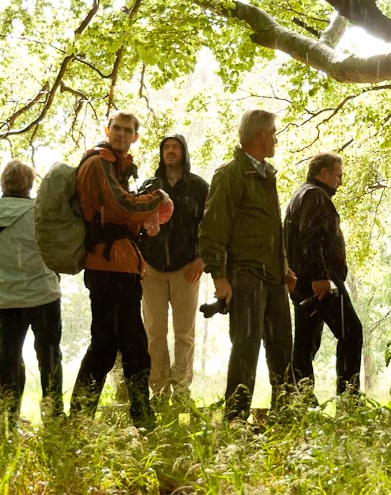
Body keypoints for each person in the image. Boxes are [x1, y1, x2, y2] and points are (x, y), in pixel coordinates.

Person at [70, 110, 171, 428]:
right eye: (117, 128)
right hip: (108, 268)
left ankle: (85, 418)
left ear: (136, 137)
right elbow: (119, 206)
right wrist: (157, 200)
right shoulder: (98, 163)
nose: (122, 134)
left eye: (128, 130)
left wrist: (143, 221)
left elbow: (121, 211)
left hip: (122, 266)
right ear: (107, 129)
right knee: (125, 344)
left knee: (114, 344)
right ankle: (139, 418)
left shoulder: (115, 167)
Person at [198, 109, 295, 421]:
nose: (276, 139)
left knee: (282, 349)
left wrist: (284, 267)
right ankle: (236, 421)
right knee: (246, 348)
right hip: (245, 274)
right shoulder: (230, 174)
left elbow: (269, 228)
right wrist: (219, 277)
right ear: (259, 135)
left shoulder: (266, 174)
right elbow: (213, 228)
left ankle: (287, 418)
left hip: (273, 277)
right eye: (274, 133)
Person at [0, 159, 63, 422]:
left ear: (4, 182)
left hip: (5, 299)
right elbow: (54, 250)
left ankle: (4, 418)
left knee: (7, 359)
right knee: (49, 358)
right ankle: (54, 416)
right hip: (43, 295)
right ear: (29, 184)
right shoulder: (38, 214)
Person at [137, 134, 209, 405]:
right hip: (152, 269)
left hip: (186, 269)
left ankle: (180, 391)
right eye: (166, 147)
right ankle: (158, 390)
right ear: (161, 153)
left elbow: (211, 226)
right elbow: (135, 225)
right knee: (154, 332)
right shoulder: (149, 187)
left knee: (184, 333)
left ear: (184, 152)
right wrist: (139, 260)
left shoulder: (199, 187)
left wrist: (202, 259)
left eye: (175, 147)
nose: (170, 152)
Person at [285, 153, 363, 399]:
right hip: (320, 282)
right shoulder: (316, 196)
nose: (340, 181)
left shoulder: (300, 195)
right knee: (352, 333)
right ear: (323, 173)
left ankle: (300, 400)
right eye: (338, 175)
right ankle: (349, 400)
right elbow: (312, 236)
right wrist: (321, 276)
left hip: (301, 282)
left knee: (306, 344)